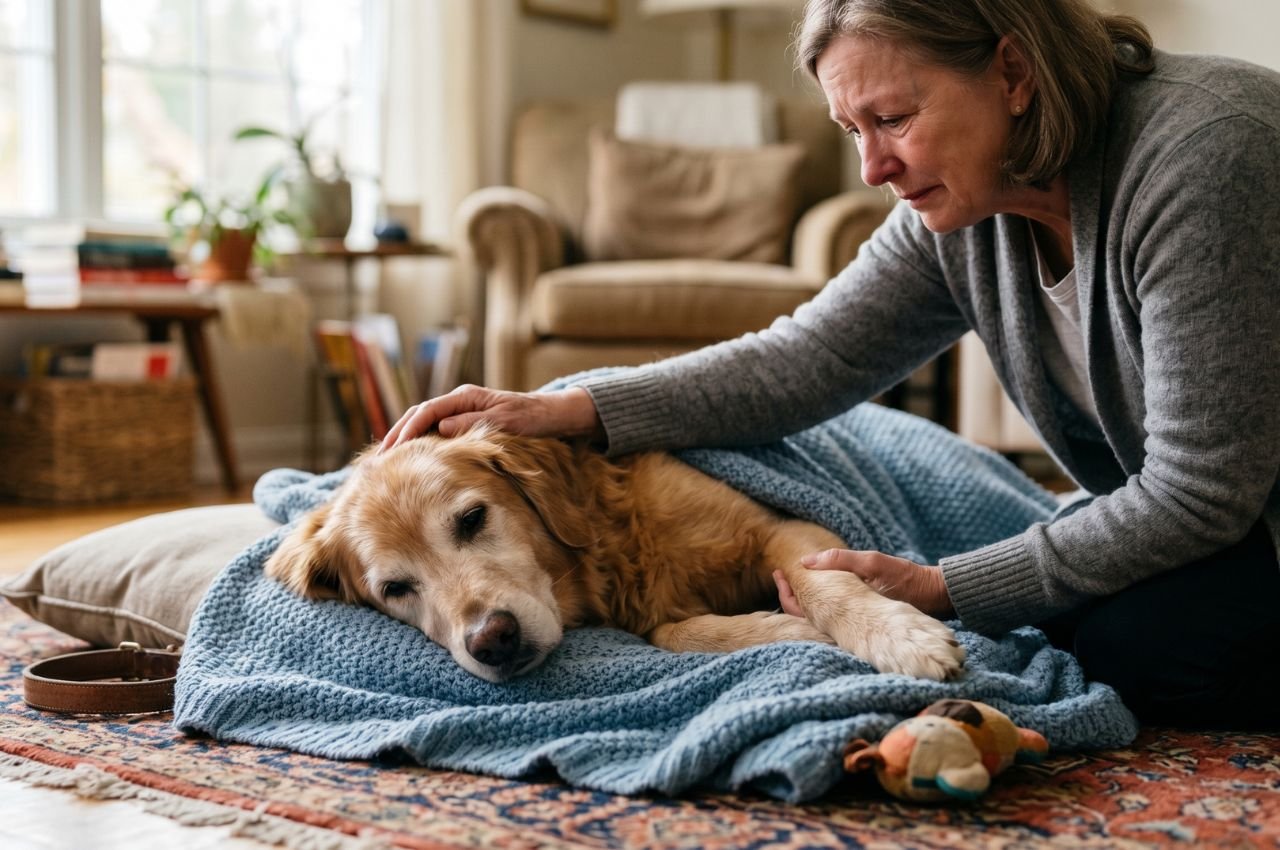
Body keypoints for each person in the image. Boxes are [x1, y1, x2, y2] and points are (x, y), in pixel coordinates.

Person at [382, 0, 1280, 730]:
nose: (871, 166)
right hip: (1234, 518)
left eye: (893, 118)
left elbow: (1200, 489)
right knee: (1075, 621)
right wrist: (569, 408)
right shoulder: (965, 202)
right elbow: (808, 358)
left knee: (1143, 651)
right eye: (852, 127)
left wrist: (944, 587)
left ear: (1013, 73)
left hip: (1244, 511)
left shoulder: (1204, 157)